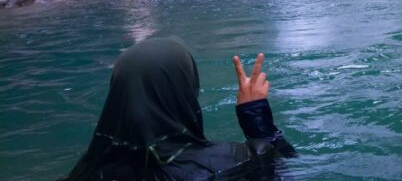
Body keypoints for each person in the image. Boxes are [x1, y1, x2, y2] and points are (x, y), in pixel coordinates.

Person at [64, 38, 296, 180]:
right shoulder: (231, 160)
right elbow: (284, 171)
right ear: (186, 89)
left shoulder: (86, 170)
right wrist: (256, 117)